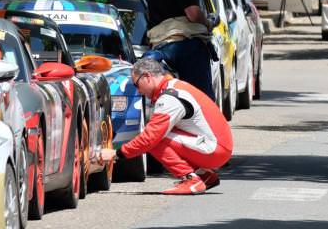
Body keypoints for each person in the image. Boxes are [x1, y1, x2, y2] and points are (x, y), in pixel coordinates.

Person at [98, 58, 232, 195]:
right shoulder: (173, 86)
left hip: (215, 149)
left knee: (155, 140)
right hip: (217, 145)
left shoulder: (169, 97)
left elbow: (149, 138)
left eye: (137, 85)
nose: (138, 91)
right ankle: (204, 176)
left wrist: (116, 154)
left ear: (147, 77)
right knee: (159, 133)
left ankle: (191, 180)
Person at [146, 0, 216, 99]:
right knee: (200, 95)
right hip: (183, 45)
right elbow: (193, 14)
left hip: (158, 43)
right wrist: (208, 23)